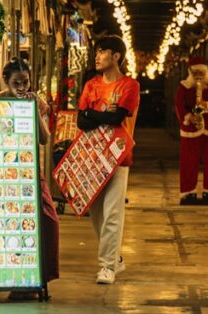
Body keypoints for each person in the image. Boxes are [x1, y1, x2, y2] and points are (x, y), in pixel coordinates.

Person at [76, 35, 140, 285]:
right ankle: (116, 260)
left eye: (102, 52)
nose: (97, 56)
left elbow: (117, 119)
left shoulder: (129, 86)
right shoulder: (91, 84)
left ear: (116, 56)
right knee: (96, 213)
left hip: (118, 156)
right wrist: (102, 113)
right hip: (92, 156)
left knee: (113, 211)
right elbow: (81, 120)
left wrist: (95, 114)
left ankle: (106, 267)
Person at [0, 59, 60, 298]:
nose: (21, 87)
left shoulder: (36, 102)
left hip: (30, 169)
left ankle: (40, 278)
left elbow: (44, 138)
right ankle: (16, 281)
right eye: (15, 83)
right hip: (2, 169)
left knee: (48, 222)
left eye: (25, 82)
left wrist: (32, 110)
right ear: (5, 82)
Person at [174, 55, 208, 205]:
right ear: (190, 72)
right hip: (191, 127)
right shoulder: (184, 86)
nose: (198, 76)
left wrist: (207, 104)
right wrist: (188, 117)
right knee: (188, 161)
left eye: (201, 73)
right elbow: (179, 104)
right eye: (195, 73)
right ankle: (188, 192)